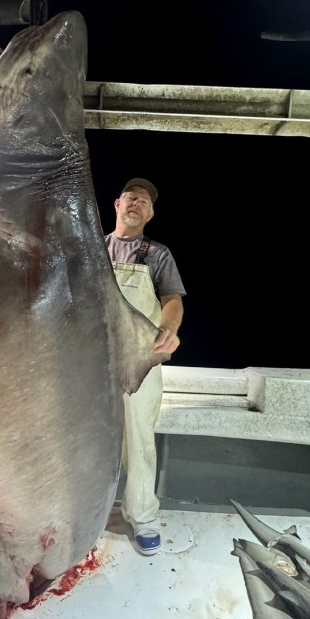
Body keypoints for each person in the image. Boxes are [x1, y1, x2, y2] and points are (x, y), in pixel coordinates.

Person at [106, 177, 186, 556]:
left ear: (151, 213)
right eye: (131, 198)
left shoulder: (157, 254)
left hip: (138, 358)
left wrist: (169, 327)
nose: (137, 203)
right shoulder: (92, 248)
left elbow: (172, 299)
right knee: (83, 435)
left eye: (145, 201)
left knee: (138, 438)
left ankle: (142, 516)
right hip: (91, 357)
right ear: (117, 203)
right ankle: (83, 513)